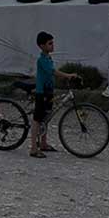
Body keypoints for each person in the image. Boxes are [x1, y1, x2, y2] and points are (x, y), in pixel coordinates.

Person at [30, 31, 78, 159]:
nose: (52, 45)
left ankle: (43, 143)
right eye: (50, 43)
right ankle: (33, 148)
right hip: (42, 92)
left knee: (46, 118)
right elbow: (52, 71)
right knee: (37, 119)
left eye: (52, 43)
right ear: (41, 46)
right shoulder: (42, 60)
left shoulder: (48, 58)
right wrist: (67, 75)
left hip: (48, 91)